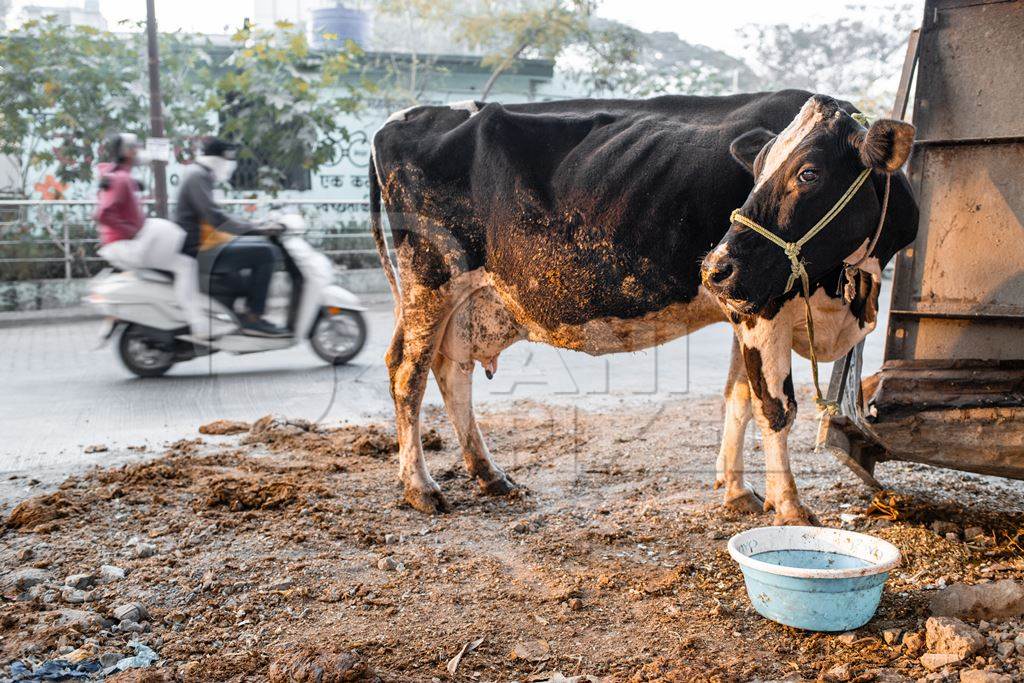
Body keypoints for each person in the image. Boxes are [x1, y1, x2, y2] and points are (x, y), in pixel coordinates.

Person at [95, 133, 210, 339]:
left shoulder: (121, 177)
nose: (140, 150)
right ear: (128, 152)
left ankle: (184, 317)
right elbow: (102, 214)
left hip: (125, 243)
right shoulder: (120, 179)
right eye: (136, 147)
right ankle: (196, 322)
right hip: (125, 245)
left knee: (181, 263)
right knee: (185, 265)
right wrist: (133, 231)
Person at [174, 137, 288, 338]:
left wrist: (255, 226)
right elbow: (216, 217)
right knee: (266, 252)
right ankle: (253, 316)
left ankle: (238, 312)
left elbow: (218, 216)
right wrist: (257, 228)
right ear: (217, 159)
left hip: (208, 243)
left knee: (258, 247)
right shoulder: (197, 177)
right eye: (228, 159)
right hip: (199, 248)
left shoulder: (202, 175)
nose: (231, 164)